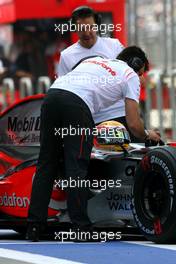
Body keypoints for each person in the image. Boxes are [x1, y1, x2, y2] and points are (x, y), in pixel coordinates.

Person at [26, 46, 161, 241]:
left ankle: (34, 226)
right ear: (136, 65)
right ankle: (80, 227)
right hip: (76, 105)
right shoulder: (129, 74)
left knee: (46, 163)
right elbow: (133, 124)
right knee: (77, 166)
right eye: (141, 73)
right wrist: (148, 134)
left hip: (52, 98)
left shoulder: (94, 61)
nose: (141, 79)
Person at [57, 6, 135, 137]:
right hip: (93, 119)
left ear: (97, 26)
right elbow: (64, 90)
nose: (87, 33)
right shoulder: (66, 55)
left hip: (121, 113)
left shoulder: (114, 45)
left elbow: (129, 76)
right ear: (75, 29)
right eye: (82, 29)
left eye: (90, 27)